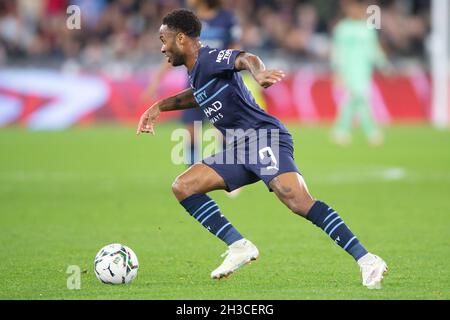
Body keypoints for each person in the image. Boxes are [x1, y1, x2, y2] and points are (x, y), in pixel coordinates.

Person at [137, 9, 388, 289]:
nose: (162, 48)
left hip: (263, 137)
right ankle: (239, 246)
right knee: (184, 185)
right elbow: (196, 96)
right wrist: (159, 106)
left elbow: (244, 58)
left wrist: (259, 73)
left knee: (297, 200)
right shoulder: (196, 71)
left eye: (164, 40)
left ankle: (368, 260)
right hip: (240, 147)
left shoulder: (209, 57)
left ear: (181, 38)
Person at [143, 0, 243, 166]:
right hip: (194, 82)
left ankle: (229, 171)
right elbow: (175, 52)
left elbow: (235, 49)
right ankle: (192, 171)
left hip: (220, 83)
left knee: (223, 130)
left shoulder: (227, 19)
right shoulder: (188, 21)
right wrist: (156, 81)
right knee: (191, 131)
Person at [331, 0, 390, 145]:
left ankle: (341, 130)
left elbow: (374, 50)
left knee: (355, 100)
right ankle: (371, 131)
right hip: (348, 70)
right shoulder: (342, 28)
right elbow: (337, 52)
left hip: (364, 71)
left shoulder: (367, 29)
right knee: (359, 98)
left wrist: (384, 66)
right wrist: (337, 70)